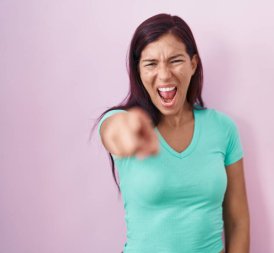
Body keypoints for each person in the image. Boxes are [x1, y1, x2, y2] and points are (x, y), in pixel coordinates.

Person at [96, 13, 250, 253]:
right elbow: (112, 132)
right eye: (151, 64)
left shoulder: (223, 128)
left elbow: (237, 221)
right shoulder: (120, 120)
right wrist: (127, 132)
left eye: (175, 60)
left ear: (193, 63)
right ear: (138, 70)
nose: (165, 74)